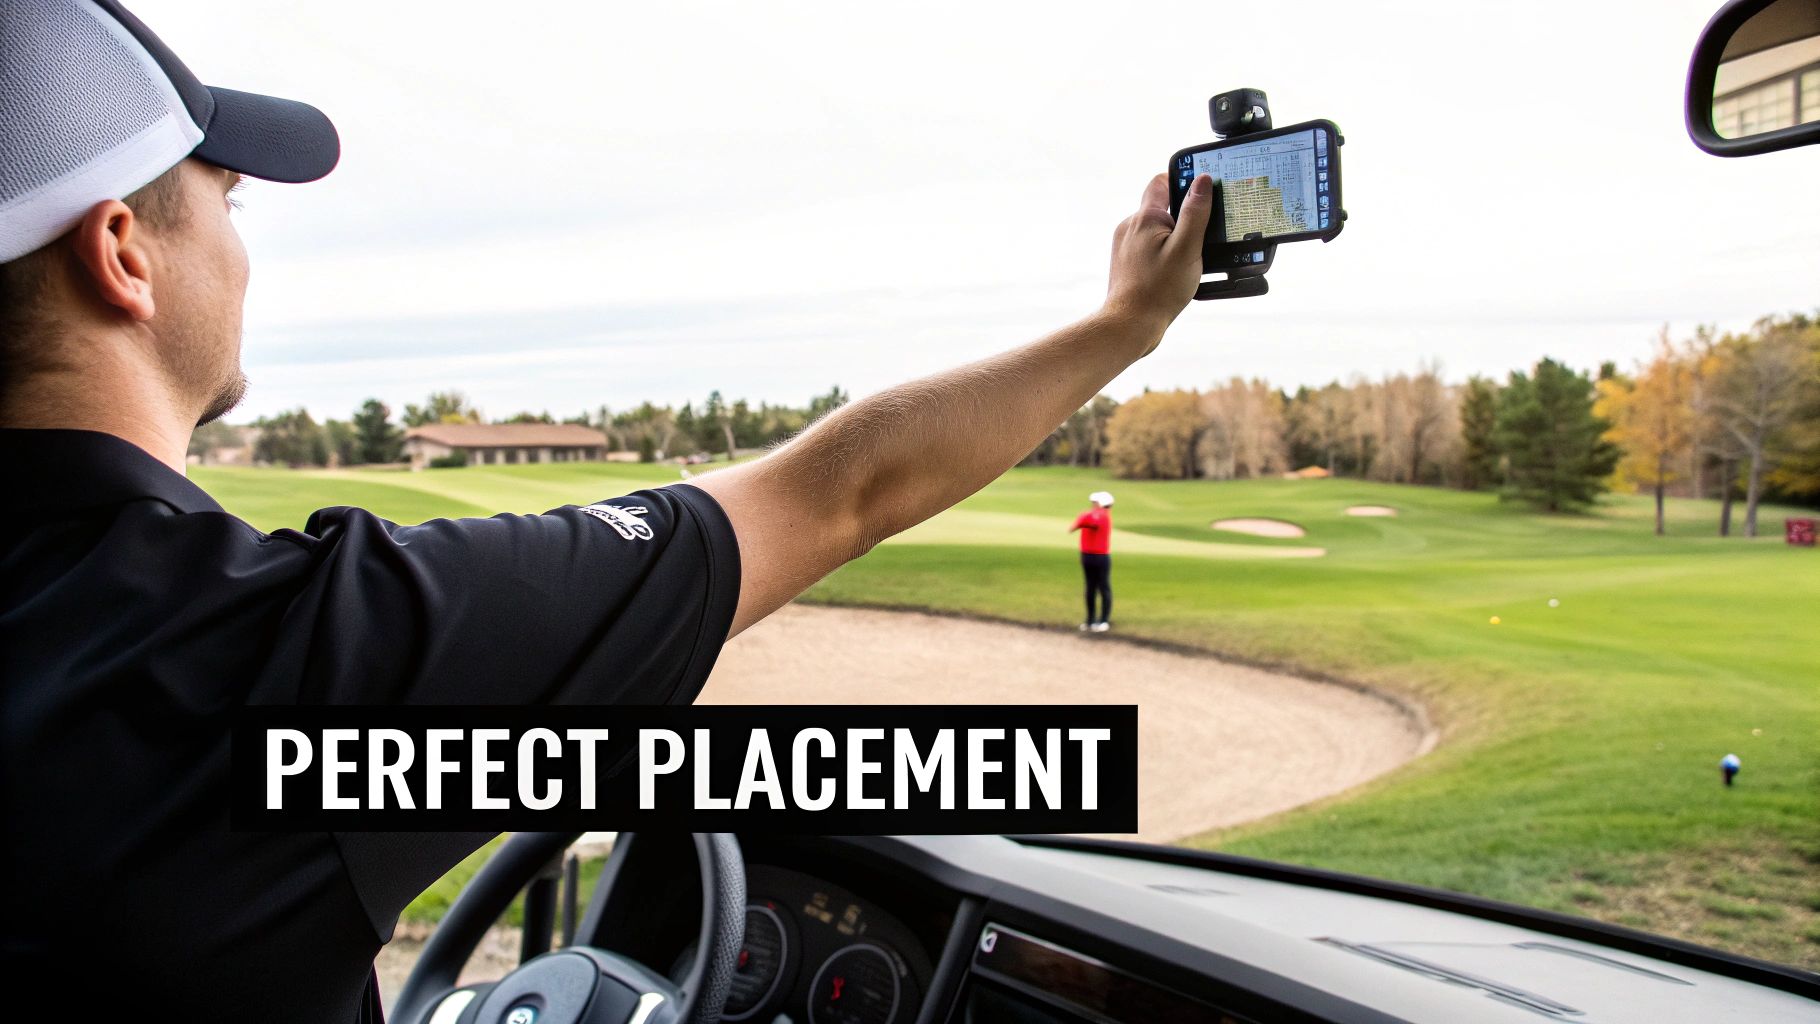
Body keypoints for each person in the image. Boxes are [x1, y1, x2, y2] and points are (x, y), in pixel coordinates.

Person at [0, 1, 1215, 1018]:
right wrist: (1125, 325)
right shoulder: (274, 652)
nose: (242, 246)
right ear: (125, 252)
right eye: (228, 199)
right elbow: (840, 492)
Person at [1070, 491, 1116, 631]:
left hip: (1101, 557)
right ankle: (1090, 620)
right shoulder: (1091, 514)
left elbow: (1090, 522)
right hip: (1087, 555)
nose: (1093, 505)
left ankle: (1103, 620)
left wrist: (1085, 518)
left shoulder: (1104, 517)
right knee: (1090, 589)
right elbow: (1076, 526)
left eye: (1095, 503)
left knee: (1103, 588)